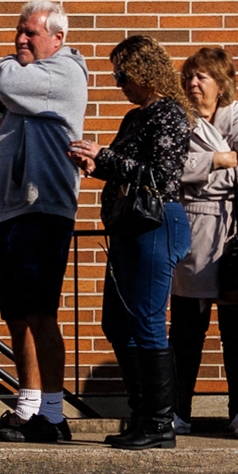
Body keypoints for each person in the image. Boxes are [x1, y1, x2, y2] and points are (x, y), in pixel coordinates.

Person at [0, 0, 87, 442]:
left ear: (58, 39)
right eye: (18, 31)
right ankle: (28, 408)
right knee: (16, 314)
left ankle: (54, 417)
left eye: (30, 33)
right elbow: (0, 141)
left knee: (40, 313)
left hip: (42, 210)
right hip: (10, 210)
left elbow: (4, 78)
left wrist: (8, 69)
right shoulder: (24, 80)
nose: (20, 39)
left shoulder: (63, 72)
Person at [87, 33, 193, 448]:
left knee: (148, 320)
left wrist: (105, 157)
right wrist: (94, 162)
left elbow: (162, 178)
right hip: (127, 227)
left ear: (145, 72)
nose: (118, 83)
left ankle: (159, 423)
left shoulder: (168, 114)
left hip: (155, 223)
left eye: (123, 74)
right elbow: (125, 168)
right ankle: (140, 412)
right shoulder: (134, 118)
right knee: (116, 321)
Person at [165, 46, 238, 439]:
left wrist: (200, 179)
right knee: (187, 329)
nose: (193, 84)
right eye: (189, 77)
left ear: (221, 83)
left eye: (202, 77)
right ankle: (179, 409)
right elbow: (171, 171)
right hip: (193, 235)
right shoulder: (178, 120)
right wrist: (215, 160)